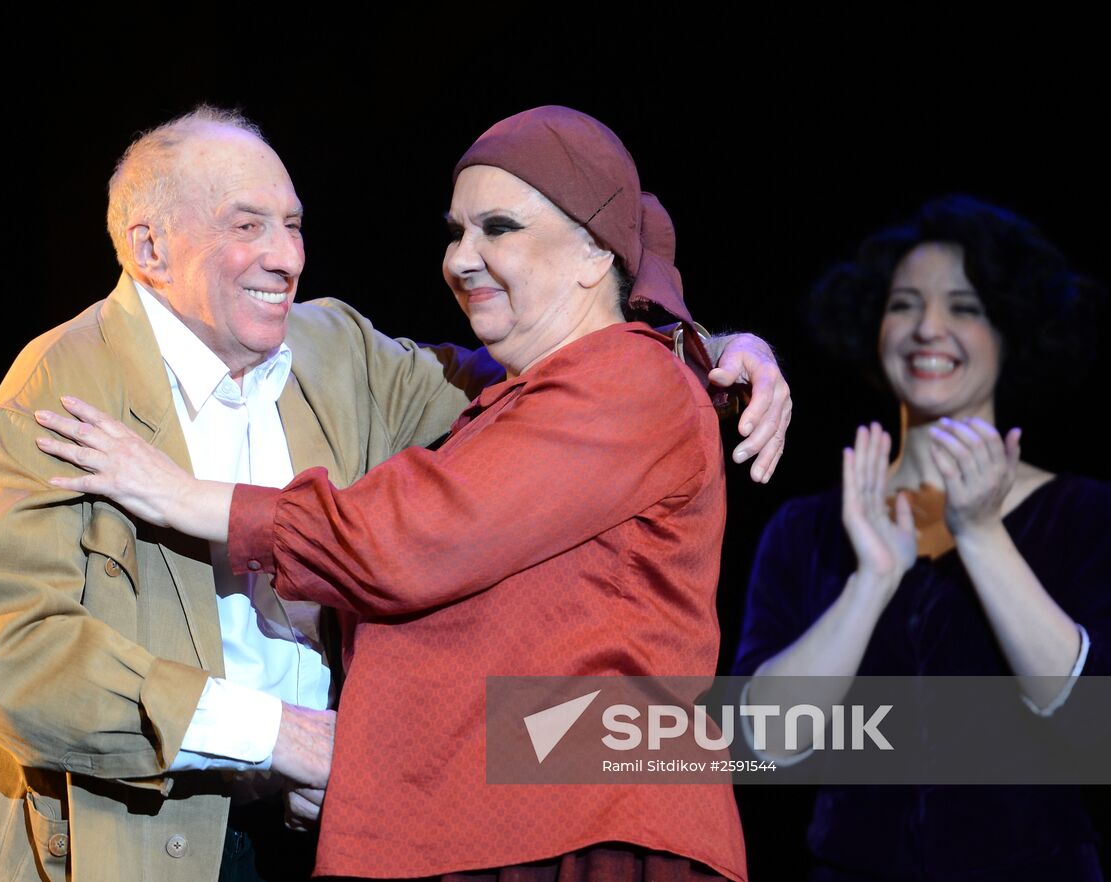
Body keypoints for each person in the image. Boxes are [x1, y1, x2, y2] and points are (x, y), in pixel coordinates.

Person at [37, 106, 750, 881]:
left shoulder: (630, 381)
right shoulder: (69, 377)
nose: (462, 259)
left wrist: (185, 496)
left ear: (592, 251)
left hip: (583, 837)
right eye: (457, 232)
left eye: (499, 228)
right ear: (149, 245)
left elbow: (406, 539)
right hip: (447, 833)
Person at [733, 196, 1111, 881]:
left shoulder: (1082, 513)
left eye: (965, 308)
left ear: (1010, 331)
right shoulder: (806, 529)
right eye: (905, 304)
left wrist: (979, 533)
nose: (929, 328)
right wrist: (871, 581)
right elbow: (759, 746)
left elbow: (1099, 727)